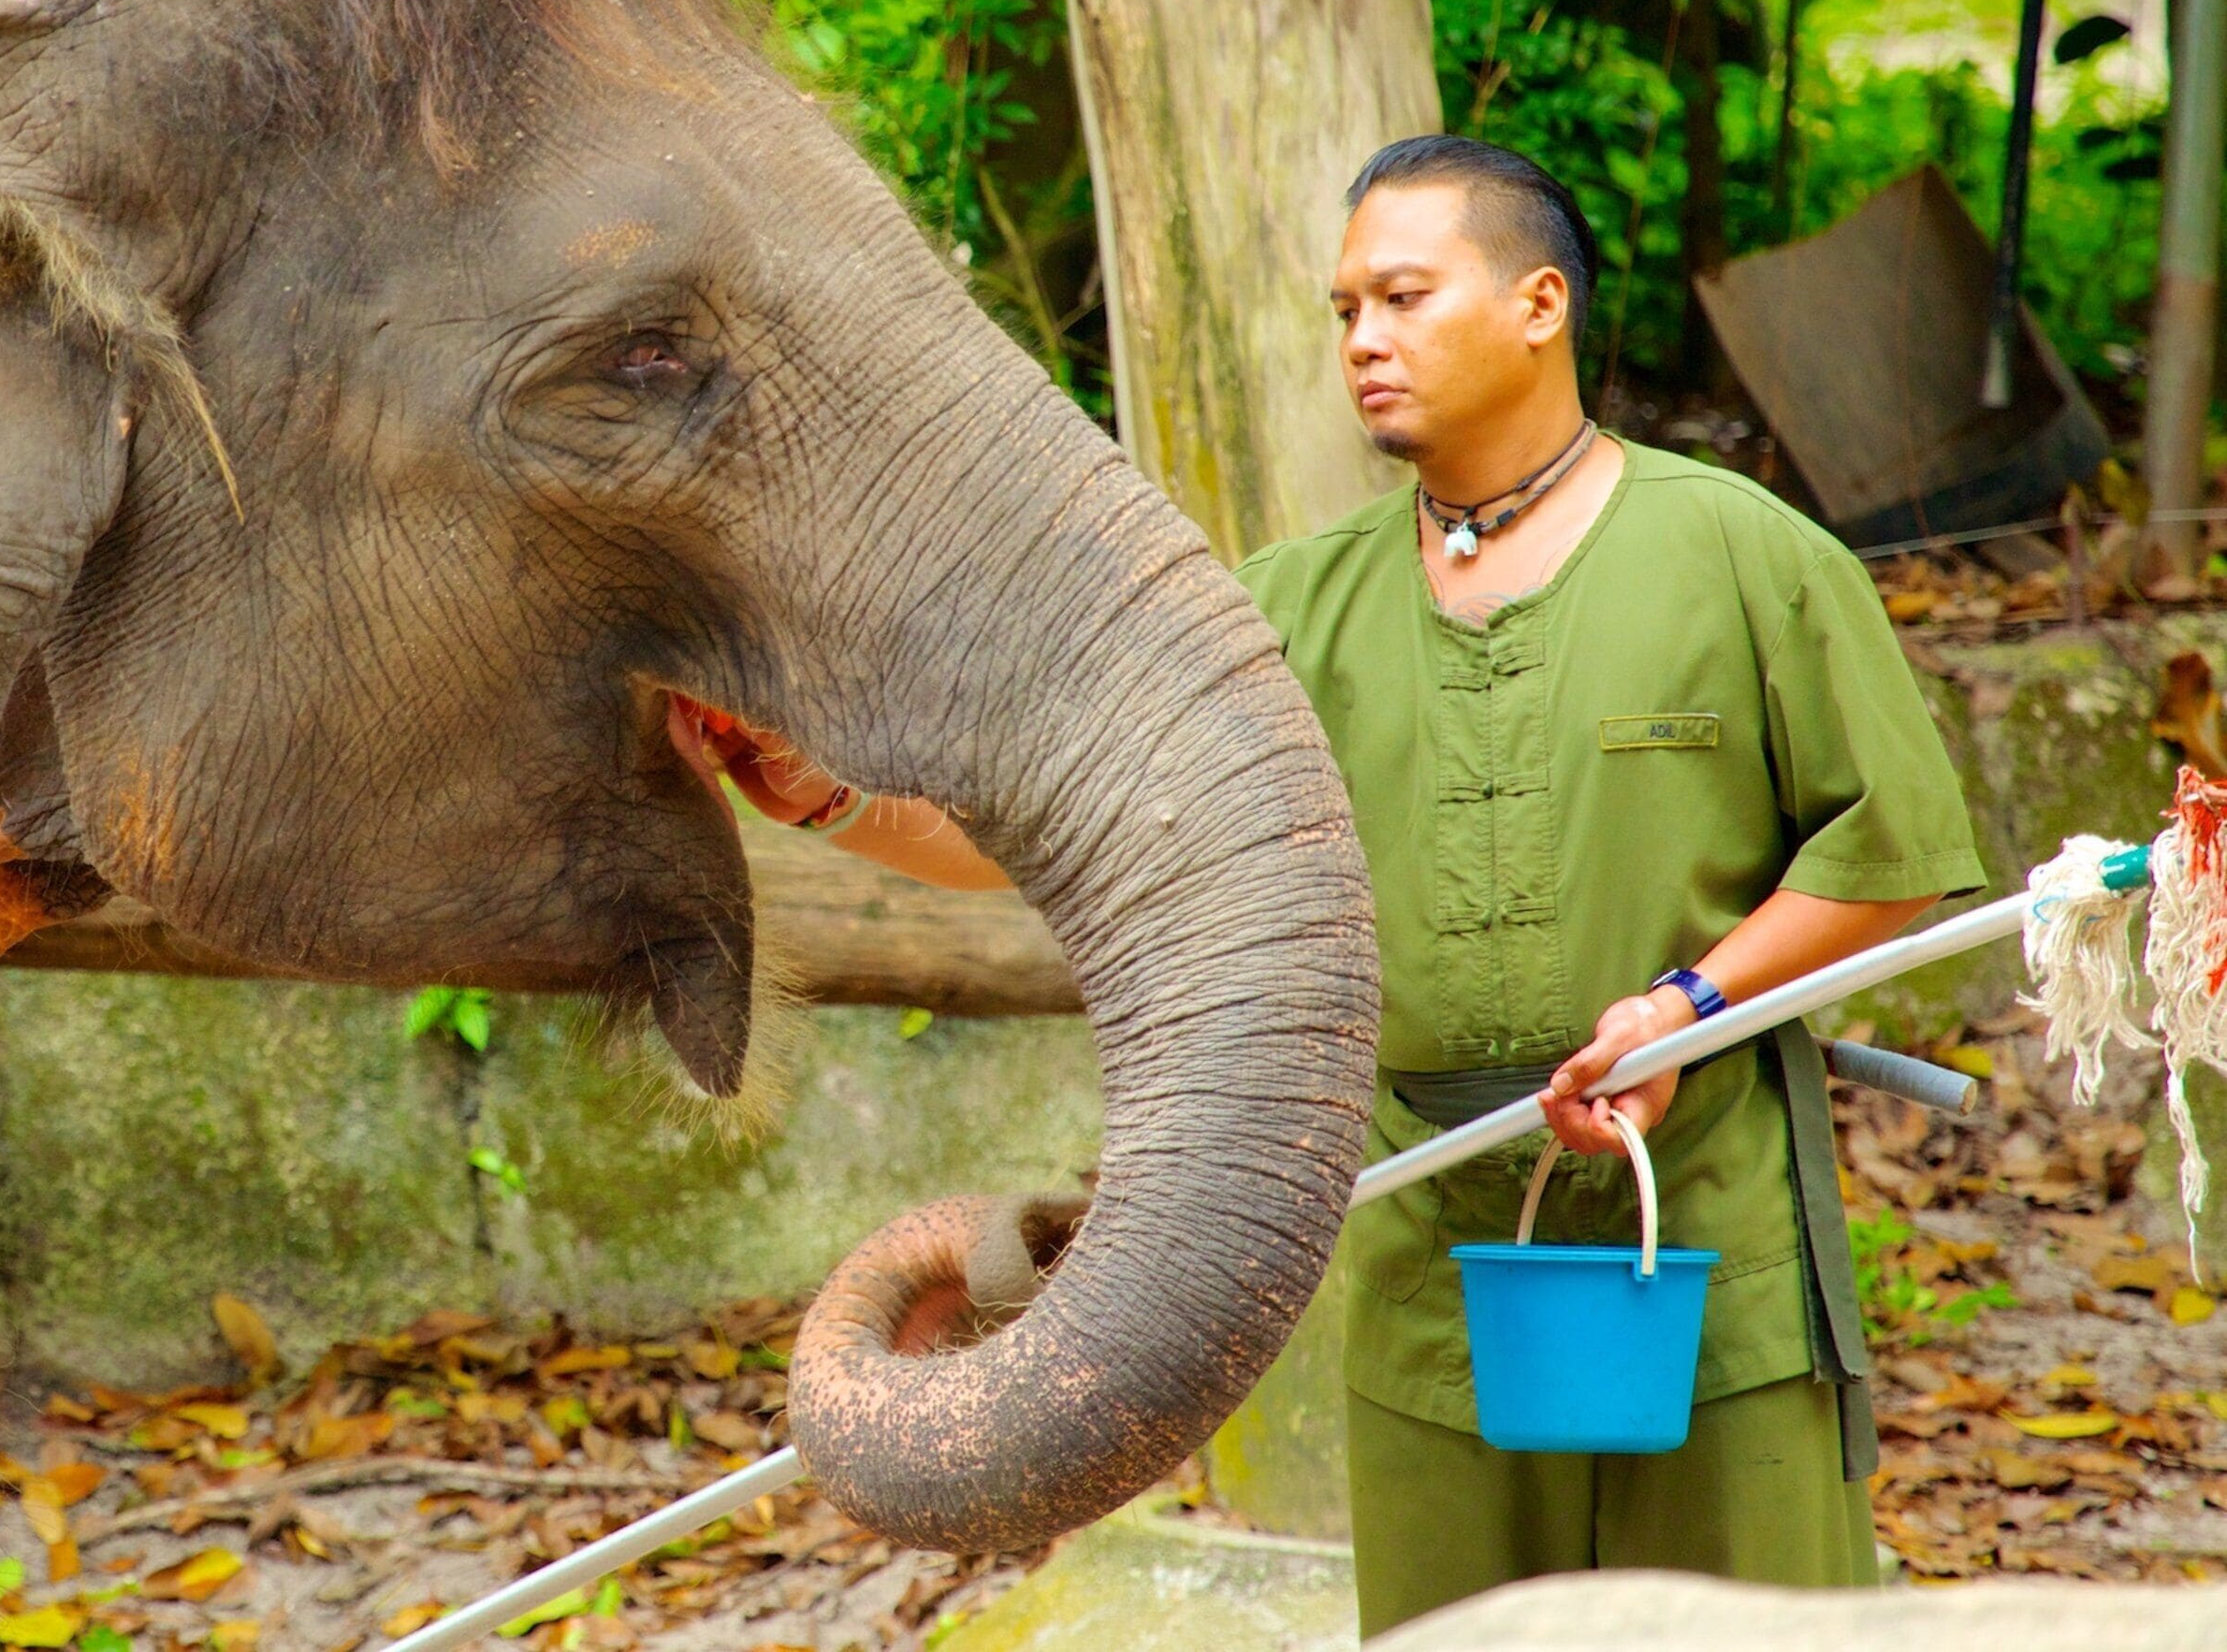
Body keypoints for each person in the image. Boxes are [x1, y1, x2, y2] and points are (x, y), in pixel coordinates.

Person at [670, 134, 1982, 1630]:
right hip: (1435, 1255)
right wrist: (824, 790)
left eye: (1404, 297)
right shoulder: (1295, 605)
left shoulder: (1745, 555)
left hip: (1707, 1238)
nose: (1362, 338)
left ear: (1540, 305)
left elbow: (1891, 859)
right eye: (1346, 308)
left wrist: (1686, 1005)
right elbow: (1058, 825)